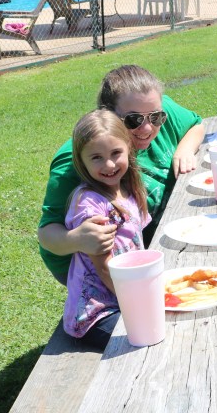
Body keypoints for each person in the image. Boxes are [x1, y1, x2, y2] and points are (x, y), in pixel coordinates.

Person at [38, 65, 205, 285]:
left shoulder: (155, 108)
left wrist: (184, 149)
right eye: (133, 120)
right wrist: (77, 239)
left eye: (155, 117)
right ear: (107, 115)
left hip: (145, 242)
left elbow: (196, 124)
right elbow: (47, 233)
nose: (147, 128)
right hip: (89, 272)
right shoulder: (77, 159)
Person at [63, 110, 150, 349]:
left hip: (127, 294)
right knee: (148, 336)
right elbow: (103, 267)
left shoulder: (127, 188)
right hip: (96, 314)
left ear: (129, 148)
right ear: (81, 160)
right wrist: (136, 303)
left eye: (115, 153)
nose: (109, 164)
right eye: (97, 158)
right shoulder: (90, 205)